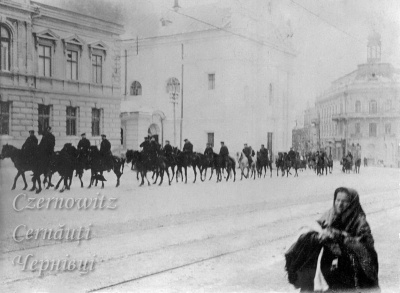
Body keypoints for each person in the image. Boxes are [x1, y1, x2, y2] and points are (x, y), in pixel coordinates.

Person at [285, 187, 379, 292]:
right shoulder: (329, 215)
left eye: (345, 201)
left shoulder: (360, 221)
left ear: (352, 203)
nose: (340, 204)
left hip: (350, 266)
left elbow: (366, 245)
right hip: (328, 263)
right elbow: (316, 227)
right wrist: (319, 236)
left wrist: (340, 236)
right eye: (337, 200)